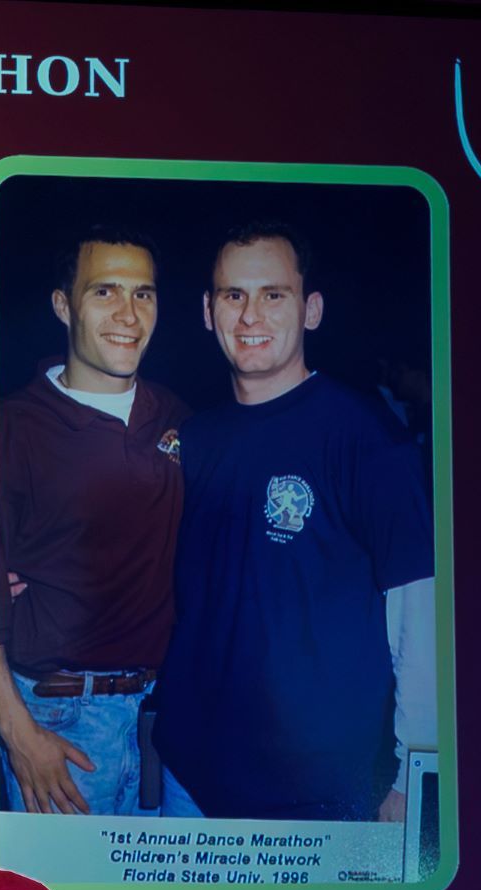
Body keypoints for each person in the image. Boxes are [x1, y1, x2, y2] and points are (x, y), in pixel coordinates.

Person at [152, 222, 436, 821]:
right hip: (192, 780)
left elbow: (421, 609)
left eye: (273, 295)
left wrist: (415, 770)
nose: (251, 315)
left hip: (317, 794)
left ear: (311, 310)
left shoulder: (368, 440)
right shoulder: (200, 437)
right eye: (234, 295)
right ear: (208, 311)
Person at [0, 227, 196, 817]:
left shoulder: (177, 417)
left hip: (165, 720)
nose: (128, 315)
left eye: (144, 294)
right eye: (104, 292)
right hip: (62, 723)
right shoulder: (13, 427)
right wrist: (21, 737)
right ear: (64, 305)